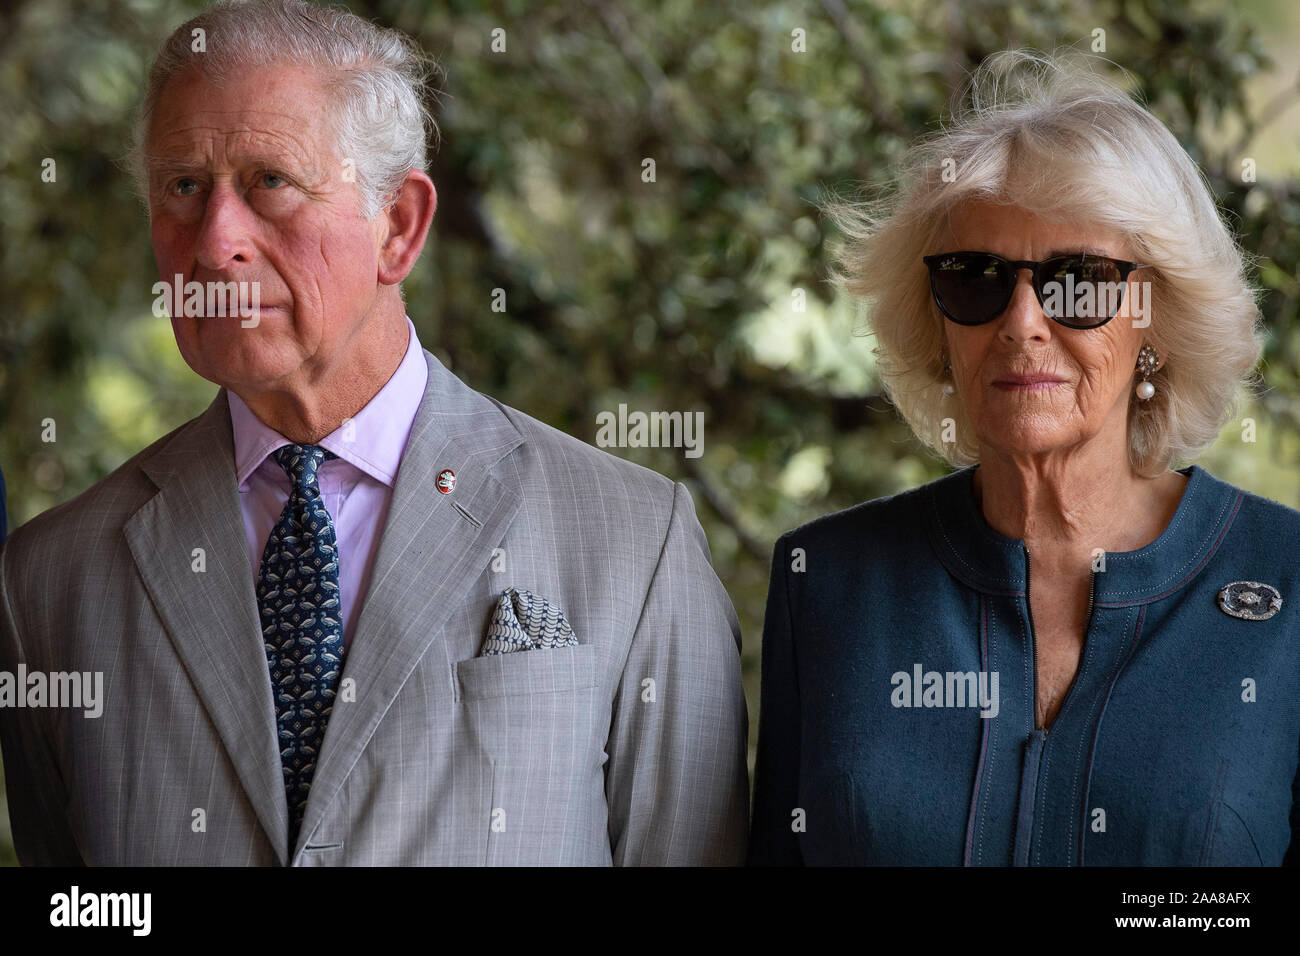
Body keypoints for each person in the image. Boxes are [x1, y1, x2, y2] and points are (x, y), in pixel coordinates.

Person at [0, 0, 748, 866]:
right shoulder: (48, 584)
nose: (215, 242)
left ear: (399, 226)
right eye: (184, 187)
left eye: (270, 181)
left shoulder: (635, 538)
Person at [749, 50, 1299, 866]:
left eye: (1078, 281)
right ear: (936, 323)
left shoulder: (1287, 583)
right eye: (976, 279)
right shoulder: (828, 583)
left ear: (1156, 321)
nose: (1022, 322)